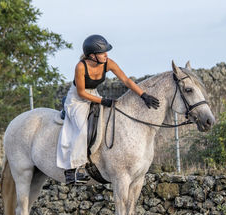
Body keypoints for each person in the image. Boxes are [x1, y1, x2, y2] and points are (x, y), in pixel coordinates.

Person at [56, 34, 160, 184]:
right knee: (82, 129)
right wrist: (103, 101)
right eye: (102, 53)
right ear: (92, 56)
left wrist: (143, 95)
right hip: (77, 99)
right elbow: (81, 93)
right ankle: (71, 170)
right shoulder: (80, 67)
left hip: (93, 94)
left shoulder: (108, 63)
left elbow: (125, 80)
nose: (106, 55)